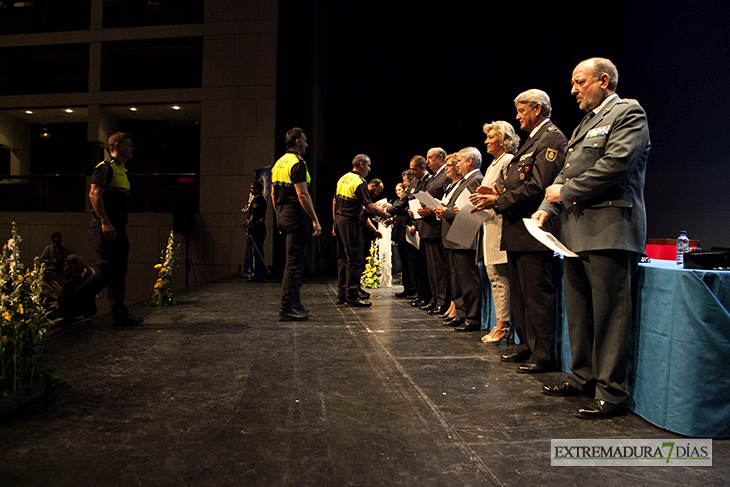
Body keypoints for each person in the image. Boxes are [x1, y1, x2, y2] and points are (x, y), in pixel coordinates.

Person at [535, 58, 651, 419]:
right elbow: (570, 172)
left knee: (610, 316)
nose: (573, 90)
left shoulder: (627, 113)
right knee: (580, 313)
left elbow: (615, 165)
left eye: (579, 82)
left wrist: (563, 193)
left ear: (603, 80)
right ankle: (582, 376)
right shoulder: (587, 122)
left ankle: (611, 393)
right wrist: (546, 209)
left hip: (609, 229)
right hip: (575, 232)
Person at [471, 89, 566, 373]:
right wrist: (499, 191)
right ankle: (525, 346)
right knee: (521, 295)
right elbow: (519, 182)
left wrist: (498, 200)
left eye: (522, 111)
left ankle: (543, 354)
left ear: (537, 109)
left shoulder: (551, 138)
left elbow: (538, 185)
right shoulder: (531, 141)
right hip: (515, 229)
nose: (518, 117)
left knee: (536, 295)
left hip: (534, 228)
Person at [83, 132, 144, 328]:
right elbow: (94, 195)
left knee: (118, 271)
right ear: (116, 146)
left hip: (117, 227)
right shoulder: (105, 168)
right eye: (129, 145)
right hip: (106, 227)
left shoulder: (121, 170)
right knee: (106, 271)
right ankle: (74, 300)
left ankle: (119, 314)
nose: (132, 148)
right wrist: (104, 221)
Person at [271, 127, 322, 321]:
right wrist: (315, 220)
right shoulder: (297, 163)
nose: (308, 144)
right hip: (294, 214)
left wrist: (280, 217)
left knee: (300, 259)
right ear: (298, 142)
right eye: (305, 140)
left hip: (283, 214)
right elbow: (302, 194)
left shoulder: (278, 163)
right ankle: (287, 307)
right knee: (294, 262)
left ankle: (295, 302)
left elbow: (273, 194)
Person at [477, 121, 520, 344]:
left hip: (501, 226)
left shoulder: (508, 160)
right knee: (494, 275)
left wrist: (493, 194)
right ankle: (501, 322)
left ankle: (503, 325)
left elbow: (510, 192)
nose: (486, 141)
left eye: (491, 137)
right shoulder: (494, 164)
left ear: (503, 140)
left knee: (500, 276)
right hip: (490, 224)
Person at [434, 149, 483, 331]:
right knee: (457, 279)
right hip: (455, 235)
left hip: (465, 235)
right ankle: (461, 313)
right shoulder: (464, 180)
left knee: (467, 280)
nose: (457, 164)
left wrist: (446, 211)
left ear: (469, 161)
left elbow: (469, 207)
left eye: (460, 161)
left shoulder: (475, 179)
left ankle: (472, 317)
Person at [333, 155, 391, 307]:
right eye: (368, 165)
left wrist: (334, 222)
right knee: (354, 260)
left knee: (343, 260)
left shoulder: (343, 178)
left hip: (339, 220)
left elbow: (335, 201)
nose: (369, 169)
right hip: (350, 222)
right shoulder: (359, 182)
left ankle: (341, 296)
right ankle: (352, 297)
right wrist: (385, 214)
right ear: (361, 164)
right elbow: (369, 206)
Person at [388, 156, 431, 307]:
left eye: (414, 169)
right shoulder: (415, 183)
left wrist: (388, 212)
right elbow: (406, 201)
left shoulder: (429, 181)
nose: (412, 174)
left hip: (424, 227)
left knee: (420, 264)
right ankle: (419, 293)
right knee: (414, 264)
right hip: (418, 226)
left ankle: (424, 294)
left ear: (422, 167)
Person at [416, 147, 452, 315]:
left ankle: (442, 300)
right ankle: (435, 298)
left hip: (437, 228)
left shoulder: (446, 175)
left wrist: (430, 210)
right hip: (428, 228)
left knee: (440, 268)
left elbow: (446, 201)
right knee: (432, 269)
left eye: (430, 158)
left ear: (441, 158)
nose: (428, 161)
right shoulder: (434, 177)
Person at [391, 172, 418, 299]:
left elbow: (411, 210)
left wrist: (414, 224)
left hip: (408, 231)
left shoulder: (410, 195)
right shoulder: (400, 200)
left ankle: (413, 288)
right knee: (405, 263)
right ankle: (408, 288)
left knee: (410, 261)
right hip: (400, 232)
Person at [58, 255, 98, 321]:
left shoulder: (70, 285)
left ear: (72, 267)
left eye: (65, 266)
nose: (63, 269)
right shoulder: (87, 283)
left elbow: (63, 308)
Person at [242, 180, 267, 283]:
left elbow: (254, 216)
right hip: (257, 229)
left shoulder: (258, 200)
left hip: (256, 230)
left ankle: (256, 274)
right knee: (256, 252)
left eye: (253, 188)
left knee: (255, 253)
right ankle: (257, 274)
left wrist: (251, 228)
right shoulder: (256, 199)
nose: (251, 190)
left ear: (258, 189)